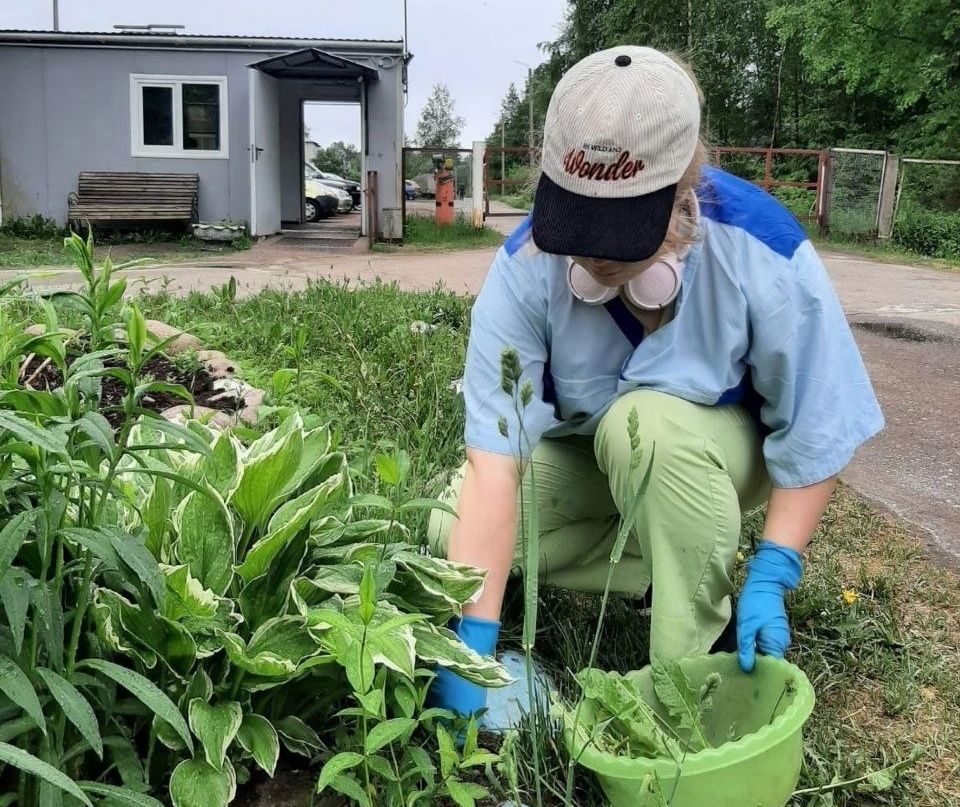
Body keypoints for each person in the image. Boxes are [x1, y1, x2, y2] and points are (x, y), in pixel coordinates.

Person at [426, 46, 883, 721]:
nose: (592, 253)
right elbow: (496, 468)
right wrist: (473, 648)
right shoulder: (525, 267)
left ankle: (686, 678)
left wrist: (775, 568)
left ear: (682, 189)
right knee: (449, 523)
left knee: (645, 429)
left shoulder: (762, 248)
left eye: (617, 230)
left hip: (712, 451)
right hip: (590, 456)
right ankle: (661, 568)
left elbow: (818, 423)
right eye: (580, 223)